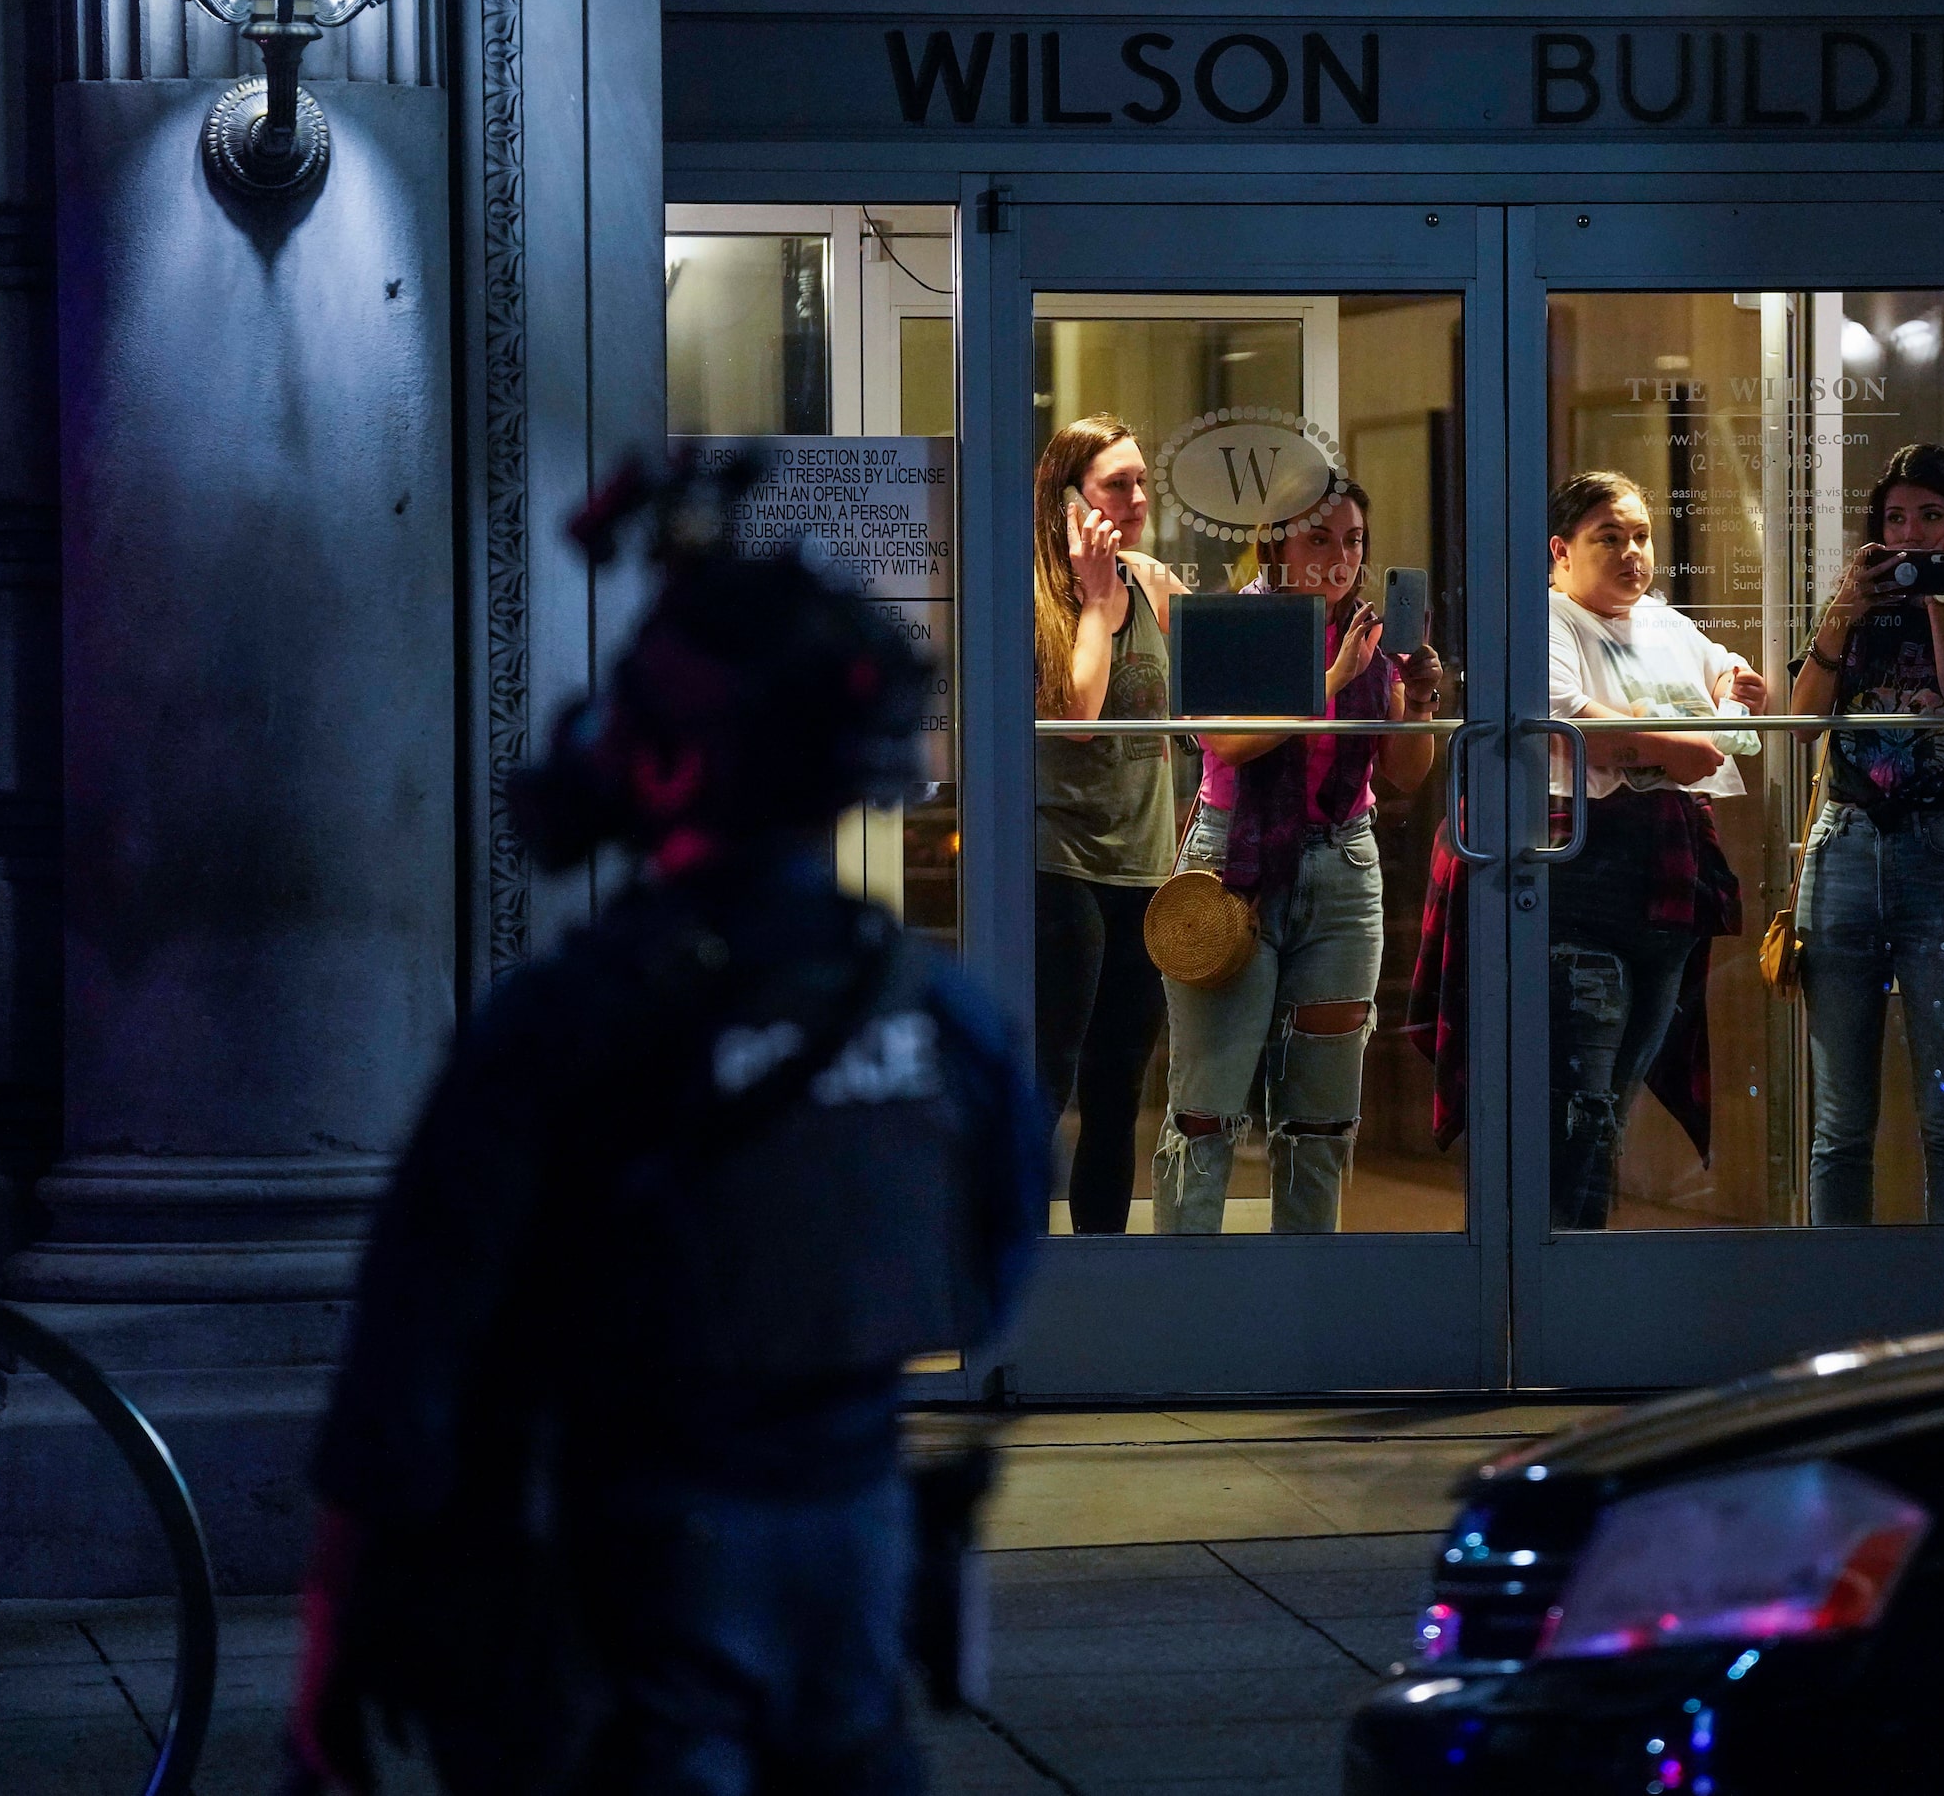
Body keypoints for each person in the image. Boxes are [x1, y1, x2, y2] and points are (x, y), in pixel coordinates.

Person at [286, 451, 1047, 1796]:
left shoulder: (567, 1021)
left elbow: (409, 1351)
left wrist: (338, 1640)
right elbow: (992, 1272)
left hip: (631, 1574)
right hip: (858, 1561)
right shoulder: (946, 1017)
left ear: (666, 757)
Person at [1156, 483, 1442, 1234]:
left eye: (1353, 542)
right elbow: (1227, 741)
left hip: (1344, 862)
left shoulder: (1373, 637)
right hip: (1234, 861)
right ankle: (1182, 1298)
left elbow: (1404, 776)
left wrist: (1416, 704)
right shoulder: (1237, 621)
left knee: (1321, 1111)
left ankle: (1307, 1294)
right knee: (1207, 1106)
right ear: (1275, 544)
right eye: (1319, 540)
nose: (1340, 559)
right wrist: (1334, 681)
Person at [1542, 470, 1763, 1231]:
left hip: (1668, 881)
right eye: (1608, 536)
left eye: (1640, 536)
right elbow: (1565, 713)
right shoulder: (1549, 619)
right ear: (1560, 552)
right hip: (1584, 878)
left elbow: (1729, 680)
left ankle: (1579, 1258)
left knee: (1617, 1100)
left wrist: (1736, 684)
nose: (1632, 552)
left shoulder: (1665, 622)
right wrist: (1669, 744)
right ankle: (1561, 1267)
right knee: (1583, 1101)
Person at [1787, 440, 1944, 1226]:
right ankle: (1838, 1295)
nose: (1910, 536)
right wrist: (1841, 614)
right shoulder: (1853, 609)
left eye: (1930, 517)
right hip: (1847, 849)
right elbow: (1798, 724)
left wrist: (1938, 601)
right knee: (1838, 1124)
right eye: (1895, 519)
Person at [1032, 417, 1187, 1234]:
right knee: (1049, 1074)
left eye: (1140, 482)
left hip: (1145, 866)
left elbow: (1212, 707)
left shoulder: (1155, 583)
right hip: (1059, 861)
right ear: (1068, 501)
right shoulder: (1038, 592)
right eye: (1114, 485)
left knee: (1119, 1085)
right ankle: (1013, 1273)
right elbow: (1076, 715)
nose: (1134, 500)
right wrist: (1095, 597)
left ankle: (1100, 1266)